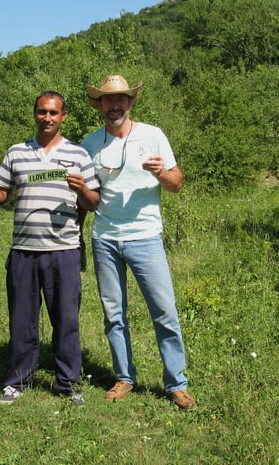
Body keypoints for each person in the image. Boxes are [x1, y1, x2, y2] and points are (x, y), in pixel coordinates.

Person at [0, 91, 100, 406]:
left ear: (63, 117)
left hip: (64, 251)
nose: (47, 118)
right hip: (23, 251)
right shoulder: (16, 153)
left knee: (67, 320)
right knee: (22, 320)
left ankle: (68, 383)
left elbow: (94, 203)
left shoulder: (79, 155)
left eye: (53, 113)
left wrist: (81, 188)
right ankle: (17, 381)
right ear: (35, 115)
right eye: (42, 112)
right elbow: (0, 198)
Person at [81, 75, 196, 411]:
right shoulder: (90, 144)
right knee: (113, 314)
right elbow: (89, 198)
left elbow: (177, 183)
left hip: (145, 238)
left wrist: (161, 173)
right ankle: (124, 377)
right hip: (105, 239)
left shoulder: (153, 135)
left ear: (130, 103)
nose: (114, 106)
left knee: (164, 312)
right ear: (99, 105)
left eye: (121, 99)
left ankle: (176, 383)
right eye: (107, 100)